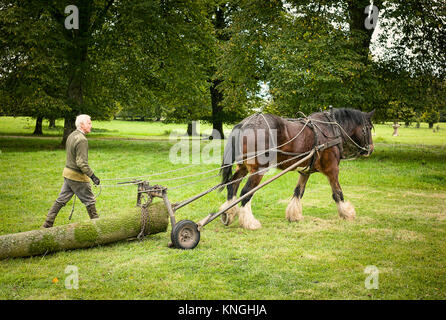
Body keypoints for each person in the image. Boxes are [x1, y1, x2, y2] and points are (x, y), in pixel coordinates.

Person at [42, 114, 101, 228]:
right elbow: (81, 163)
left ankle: (47, 224)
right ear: (82, 124)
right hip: (77, 176)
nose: (91, 125)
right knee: (90, 201)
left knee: (61, 200)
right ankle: (98, 226)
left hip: (67, 174)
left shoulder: (72, 135)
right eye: (89, 123)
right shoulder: (82, 140)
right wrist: (93, 176)